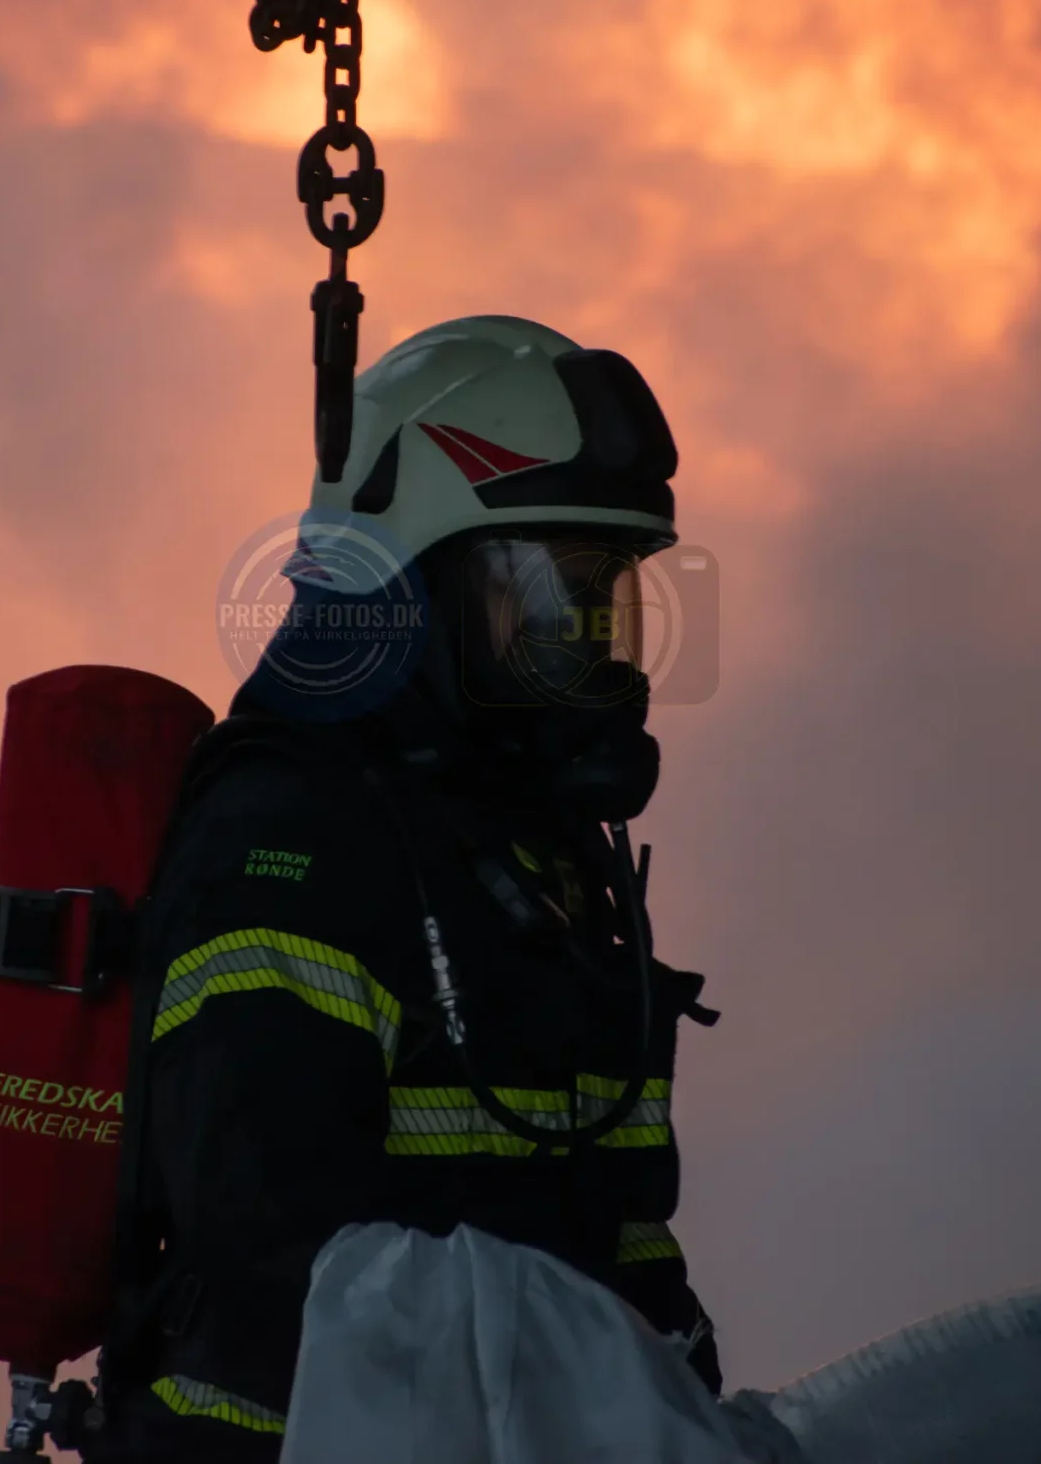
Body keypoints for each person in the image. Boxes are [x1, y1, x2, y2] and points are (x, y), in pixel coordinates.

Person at [93, 315, 720, 1460]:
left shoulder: (543, 858)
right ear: (411, 590)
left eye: (605, 601)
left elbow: (622, 1230)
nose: (588, 651)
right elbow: (286, 1256)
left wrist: (685, 1401)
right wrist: (603, 1399)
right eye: (548, 600)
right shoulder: (286, 842)